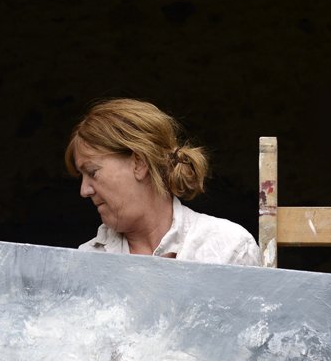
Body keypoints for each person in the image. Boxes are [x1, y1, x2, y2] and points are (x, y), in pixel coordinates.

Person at [64, 98, 260, 266]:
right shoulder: (86, 261)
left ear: (139, 163)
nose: (84, 190)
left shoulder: (227, 248)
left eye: (92, 172)